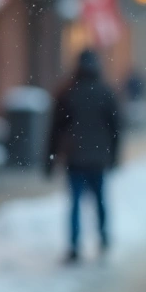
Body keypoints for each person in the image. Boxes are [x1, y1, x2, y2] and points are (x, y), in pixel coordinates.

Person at [45, 50, 122, 262]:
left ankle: (74, 246)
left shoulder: (67, 92)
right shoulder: (106, 92)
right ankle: (103, 238)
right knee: (99, 200)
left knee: (75, 202)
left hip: (75, 157)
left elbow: (55, 129)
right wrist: (115, 155)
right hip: (98, 157)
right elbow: (115, 128)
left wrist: (49, 160)